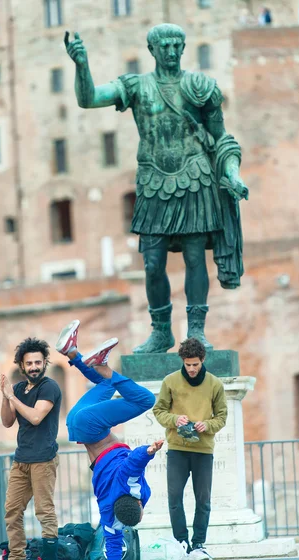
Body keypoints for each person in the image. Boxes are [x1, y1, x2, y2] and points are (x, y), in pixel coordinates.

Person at [65, 23, 249, 353]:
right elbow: (89, 98)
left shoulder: (200, 86)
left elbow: (222, 139)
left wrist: (233, 174)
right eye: (164, 45)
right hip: (153, 181)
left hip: (195, 176)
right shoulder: (136, 86)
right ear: (152, 49)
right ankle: (161, 330)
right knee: (152, 263)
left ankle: (196, 331)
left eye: (177, 44)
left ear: (183, 47)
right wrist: (81, 65)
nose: (171, 50)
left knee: (195, 257)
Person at [56, 320, 163, 560]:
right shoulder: (108, 510)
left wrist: (149, 451)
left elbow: (133, 464)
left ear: (138, 506)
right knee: (103, 384)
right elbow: (112, 544)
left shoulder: (132, 488)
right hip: (75, 424)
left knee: (145, 401)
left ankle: (105, 367)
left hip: (91, 426)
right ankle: (72, 354)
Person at [0, 337, 62, 560]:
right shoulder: (20, 390)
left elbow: (35, 417)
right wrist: (5, 396)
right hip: (21, 459)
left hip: (43, 459)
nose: (33, 366)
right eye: (29, 363)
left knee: (44, 510)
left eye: (37, 362)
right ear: (21, 367)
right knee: (11, 509)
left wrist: (12, 398)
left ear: (45, 363)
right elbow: (7, 421)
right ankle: (17, 559)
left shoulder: (49, 387)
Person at [153, 337, 227, 560]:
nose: (192, 368)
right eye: (188, 364)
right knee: (174, 497)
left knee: (203, 499)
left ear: (202, 360)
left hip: (204, 449)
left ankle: (198, 544)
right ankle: (181, 542)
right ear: (183, 361)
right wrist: (175, 419)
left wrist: (209, 424)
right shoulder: (170, 381)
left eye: (196, 364)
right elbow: (159, 411)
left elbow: (222, 416)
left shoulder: (215, 384)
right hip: (177, 448)